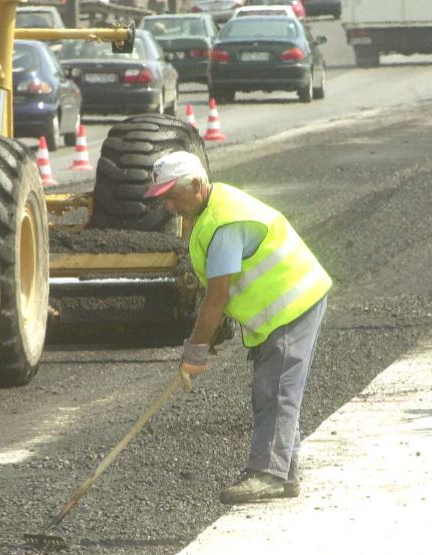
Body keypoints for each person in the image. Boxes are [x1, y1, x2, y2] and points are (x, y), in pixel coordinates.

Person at [145, 151, 331, 504]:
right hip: (284, 305)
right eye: (164, 198)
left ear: (197, 185)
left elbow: (216, 298)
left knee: (275, 388)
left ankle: (269, 474)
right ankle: (283, 472)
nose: (168, 207)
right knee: (272, 387)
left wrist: (195, 352)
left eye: (172, 196)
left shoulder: (224, 224)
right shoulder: (214, 209)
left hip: (292, 302)